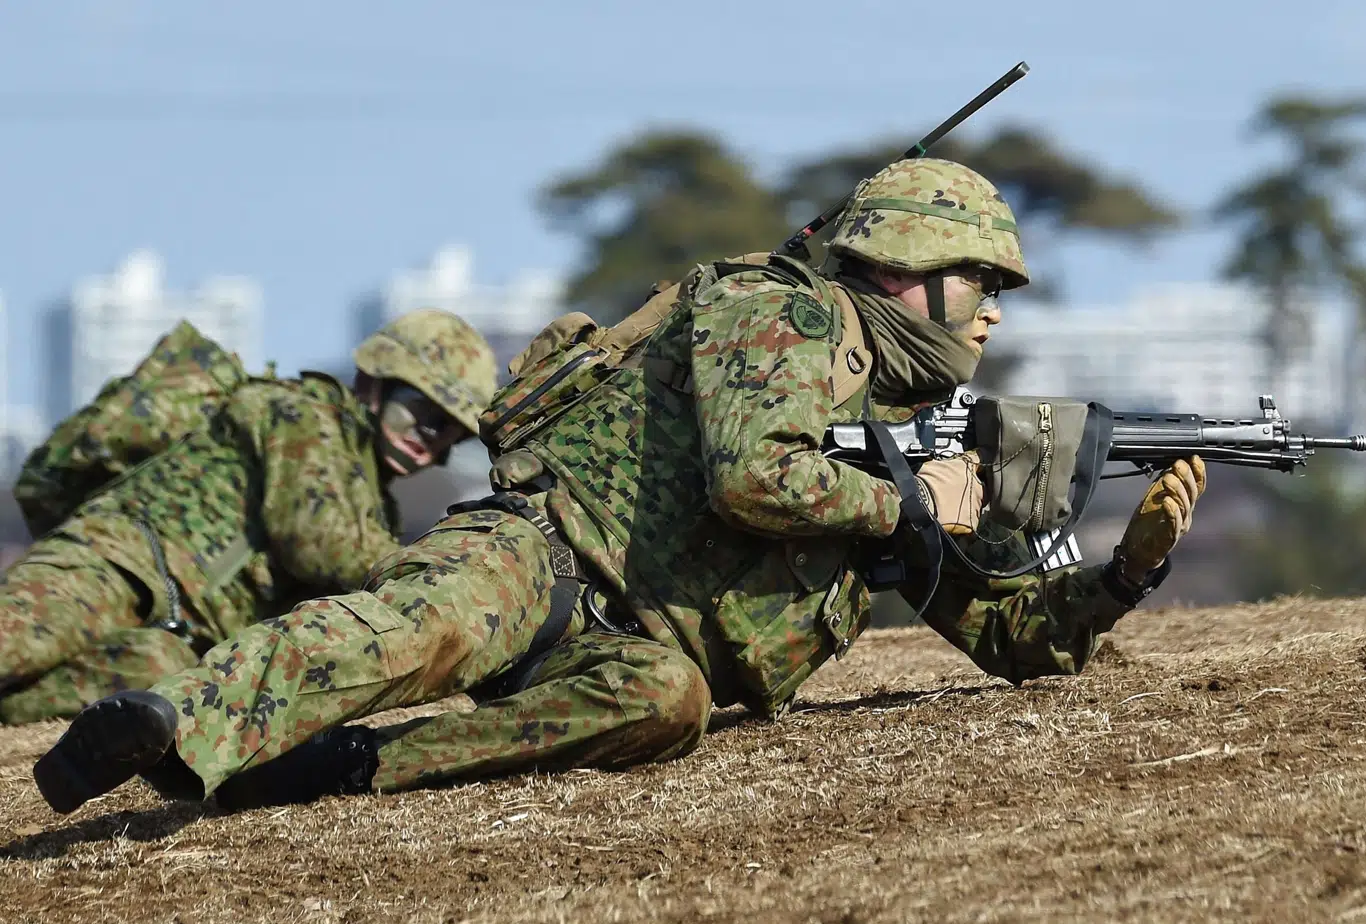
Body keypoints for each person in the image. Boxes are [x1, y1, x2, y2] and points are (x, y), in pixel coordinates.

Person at [33, 158, 1205, 815]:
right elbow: (755, 475)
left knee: (668, 707)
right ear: (902, 269)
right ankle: (182, 721)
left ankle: (330, 771)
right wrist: (913, 502)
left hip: (639, 645)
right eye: (979, 276)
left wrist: (1128, 571)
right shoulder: (782, 313)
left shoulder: (914, 425)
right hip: (544, 552)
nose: (997, 305)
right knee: (417, 624)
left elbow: (1007, 635)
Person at [0, 309, 497, 724]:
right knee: (13, 643)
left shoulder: (371, 501)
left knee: (141, 686)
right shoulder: (302, 416)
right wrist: (437, 580)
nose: (429, 436)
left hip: (174, 642)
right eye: (420, 410)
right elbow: (319, 543)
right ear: (375, 382)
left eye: (449, 430)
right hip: (112, 567)